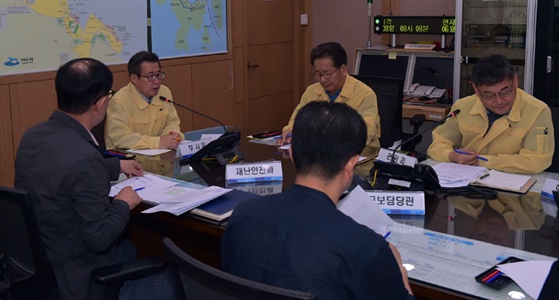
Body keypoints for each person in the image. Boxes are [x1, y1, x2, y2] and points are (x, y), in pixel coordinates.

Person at [15, 58, 177, 299]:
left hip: (38, 260)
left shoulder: (33, 135)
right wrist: (124, 202)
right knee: (175, 280)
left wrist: (113, 166)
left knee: (129, 249)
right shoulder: (84, 157)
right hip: (74, 278)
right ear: (101, 104)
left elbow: (63, 169)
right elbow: (99, 238)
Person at [222, 101, 414, 299]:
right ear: (351, 165)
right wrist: (400, 273)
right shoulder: (367, 247)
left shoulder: (242, 216)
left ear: (293, 154)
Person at [428, 54, 554, 173]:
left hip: (512, 184)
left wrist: (484, 162)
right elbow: (438, 143)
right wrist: (451, 155)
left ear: (515, 81)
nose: (499, 101)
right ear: (476, 90)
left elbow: (537, 161)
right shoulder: (462, 107)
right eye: (489, 95)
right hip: (465, 181)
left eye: (505, 92)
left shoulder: (537, 110)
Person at [278, 42, 381, 157]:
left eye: (327, 74)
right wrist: (290, 131)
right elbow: (297, 120)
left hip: (357, 163)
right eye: (318, 74)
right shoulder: (311, 91)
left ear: (343, 69)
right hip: (319, 159)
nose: (322, 79)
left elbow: (364, 135)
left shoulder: (365, 94)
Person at [105, 51, 182, 150]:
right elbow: (121, 138)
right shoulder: (119, 101)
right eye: (151, 76)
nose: (157, 81)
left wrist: (171, 137)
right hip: (127, 159)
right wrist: (158, 142)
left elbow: (172, 121)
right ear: (134, 78)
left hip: (158, 156)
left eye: (158, 75)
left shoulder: (164, 92)